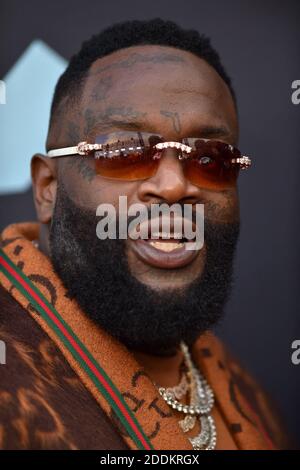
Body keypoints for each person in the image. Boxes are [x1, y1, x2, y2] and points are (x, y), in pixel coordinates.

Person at [0, 18, 289, 450]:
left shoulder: (243, 388)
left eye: (210, 160)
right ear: (47, 188)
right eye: (125, 153)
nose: (174, 186)